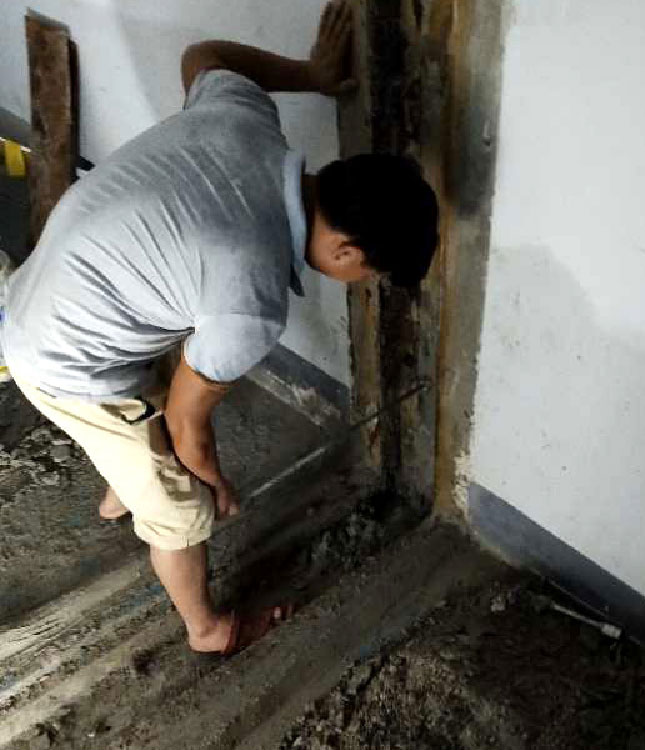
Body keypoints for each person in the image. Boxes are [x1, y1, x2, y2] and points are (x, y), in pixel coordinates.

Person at [1, 0, 439, 655]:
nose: (360, 282)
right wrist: (213, 485)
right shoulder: (251, 300)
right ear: (347, 251)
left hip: (51, 285)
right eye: (369, 274)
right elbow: (187, 423)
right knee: (184, 509)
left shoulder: (247, 118)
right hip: (60, 356)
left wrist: (312, 75)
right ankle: (207, 630)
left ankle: (127, 482)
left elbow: (203, 57)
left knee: (162, 408)